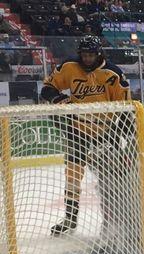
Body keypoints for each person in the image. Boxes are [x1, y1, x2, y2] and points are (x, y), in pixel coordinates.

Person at [40, 35, 132, 236]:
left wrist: (126, 131)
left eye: (91, 55)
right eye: (84, 55)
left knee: (112, 178)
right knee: (72, 176)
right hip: (77, 131)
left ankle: (118, 217)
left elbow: (126, 108)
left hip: (105, 132)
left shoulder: (113, 73)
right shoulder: (69, 67)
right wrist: (58, 98)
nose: (87, 59)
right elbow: (47, 89)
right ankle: (70, 218)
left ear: (99, 54)